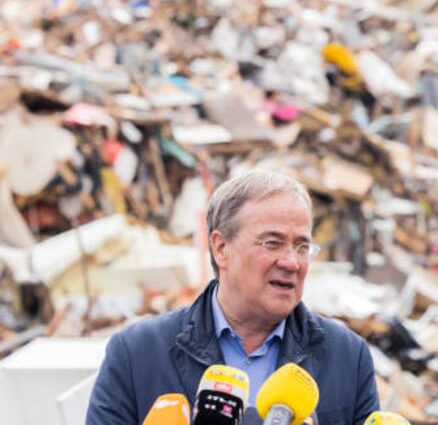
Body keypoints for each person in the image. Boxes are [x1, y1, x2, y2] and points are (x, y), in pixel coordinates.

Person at [86, 169, 380, 425]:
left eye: (302, 246)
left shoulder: (348, 357)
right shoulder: (137, 354)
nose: (292, 262)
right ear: (221, 248)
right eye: (272, 243)